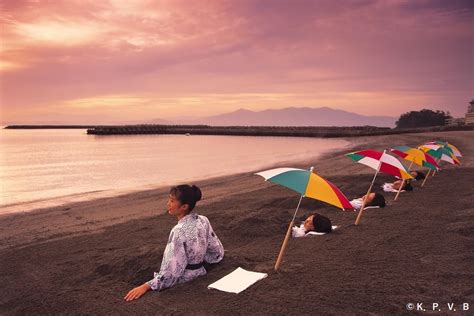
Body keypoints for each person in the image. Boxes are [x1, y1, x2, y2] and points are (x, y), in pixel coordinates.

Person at [124, 184, 224, 301]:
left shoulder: (178, 231)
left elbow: (170, 274)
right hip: (202, 270)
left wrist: (146, 286)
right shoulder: (203, 220)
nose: (168, 204)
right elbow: (216, 251)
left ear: (184, 206)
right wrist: (205, 265)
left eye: (172, 201)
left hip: (187, 277)